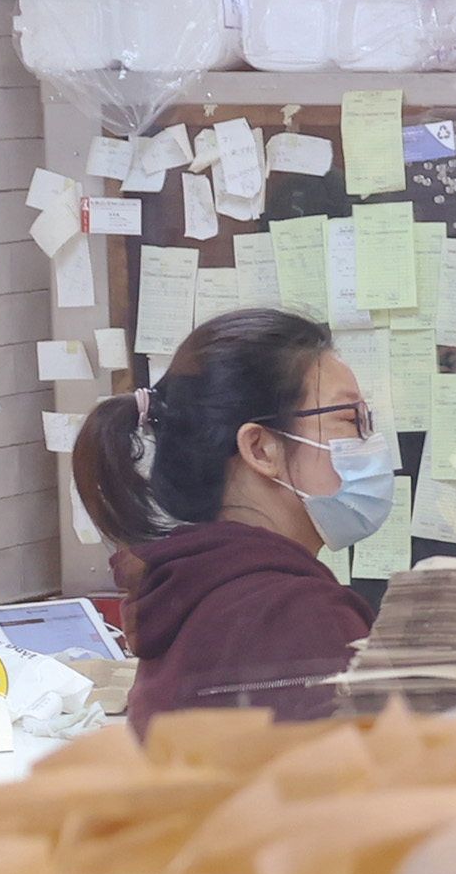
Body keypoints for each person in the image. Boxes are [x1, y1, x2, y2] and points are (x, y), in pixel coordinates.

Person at [75, 308, 380, 728]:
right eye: (350, 419)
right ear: (260, 449)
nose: (371, 442)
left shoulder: (188, 588)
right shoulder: (300, 617)